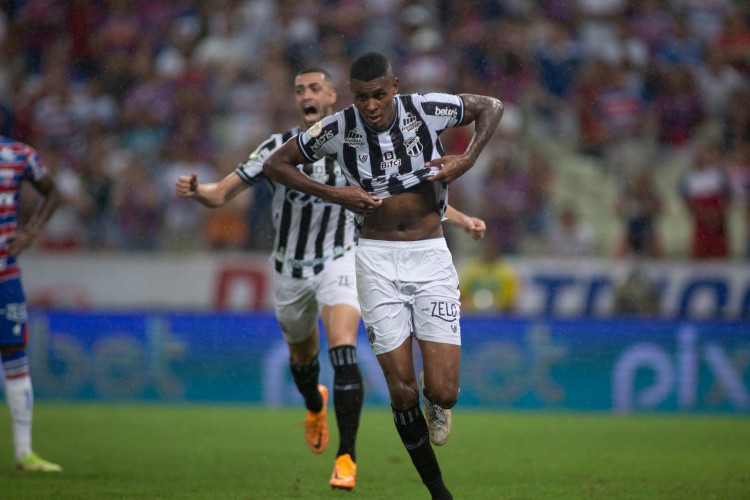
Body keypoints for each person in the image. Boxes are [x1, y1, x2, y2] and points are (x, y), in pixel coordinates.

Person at [175, 67, 486, 492]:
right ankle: (313, 402)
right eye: (300, 88)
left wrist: (463, 210)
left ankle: (347, 456)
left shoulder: (381, 130)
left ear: (330, 95)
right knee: (314, 364)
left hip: (343, 259)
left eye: (314, 88)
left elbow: (408, 189)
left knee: (355, 352)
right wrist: (200, 191)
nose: (307, 94)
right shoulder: (309, 142)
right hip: (293, 268)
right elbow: (237, 184)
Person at [263, 53, 503, 500]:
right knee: (400, 389)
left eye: (378, 95)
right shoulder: (338, 130)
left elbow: (491, 106)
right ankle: (439, 491)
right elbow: (276, 165)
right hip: (374, 260)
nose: (371, 106)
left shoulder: (427, 108)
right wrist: (336, 193)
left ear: (394, 86)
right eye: (362, 97)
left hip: (430, 256)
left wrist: (465, 160)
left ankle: (440, 406)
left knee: (444, 391)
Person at [0, 136, 62, 472]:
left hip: (5, 274)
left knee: (14, 354)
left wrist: (32, 229)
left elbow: (53, 192)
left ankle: (24, 452)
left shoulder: (18, 155)